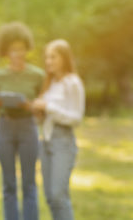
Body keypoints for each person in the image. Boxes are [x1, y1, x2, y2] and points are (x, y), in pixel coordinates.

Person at [0, 22, 44, 220]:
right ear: (6, 51)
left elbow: (43, 106)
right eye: (12, 50)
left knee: (29, 183)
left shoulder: (37, 75)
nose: (17, 53)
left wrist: (30, 105)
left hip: (28, 127)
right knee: (8, 183)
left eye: (20, 49)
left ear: (27, 48)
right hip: (5, 127)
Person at [32, 39, 85, 220]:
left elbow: (76, 118)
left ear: (64, 58)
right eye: (46, 57)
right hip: (46, 142)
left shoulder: (73, 83)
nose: (48, 62)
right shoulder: (51, 83)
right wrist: (38, 113)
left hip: (63, 142)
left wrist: (48, 107)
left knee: (58, 195)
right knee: (50, 197)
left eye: (53, 57)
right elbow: (46, 117)